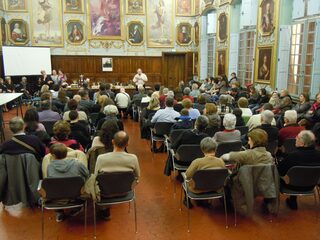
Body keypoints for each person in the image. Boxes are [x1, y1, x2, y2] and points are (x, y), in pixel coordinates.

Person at [94, 131, 140, 220]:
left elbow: (96, 177)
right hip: (125, 192)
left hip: (105, 193)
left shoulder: (101, 158)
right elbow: (137, 177)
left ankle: (104, 210)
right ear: (127, 144)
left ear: (112, 142)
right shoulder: (133, 158)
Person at [277, 130, 320, 210]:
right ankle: (292, 200)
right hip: (311, 186)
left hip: (290, 186)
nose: (295, 139)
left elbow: (280, 171)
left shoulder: (293, 156)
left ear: (303, 143)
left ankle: (269, 202)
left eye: (297, 138)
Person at [47, 143, 89, 222]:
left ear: (53, 155)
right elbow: (87, 174)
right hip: (76, 195)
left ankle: (59, 212)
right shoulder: (77, 164)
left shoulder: (49, 167)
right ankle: (77, 208)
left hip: (57, 197)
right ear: (67, 154)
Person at [184, 137, 226, 208]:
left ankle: (187, 202)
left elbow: (187, 176)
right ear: (215, 148)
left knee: (185, 180)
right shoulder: (221, 161)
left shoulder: (197, 162)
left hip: (198, 190)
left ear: (202, 149)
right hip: (216, 188)